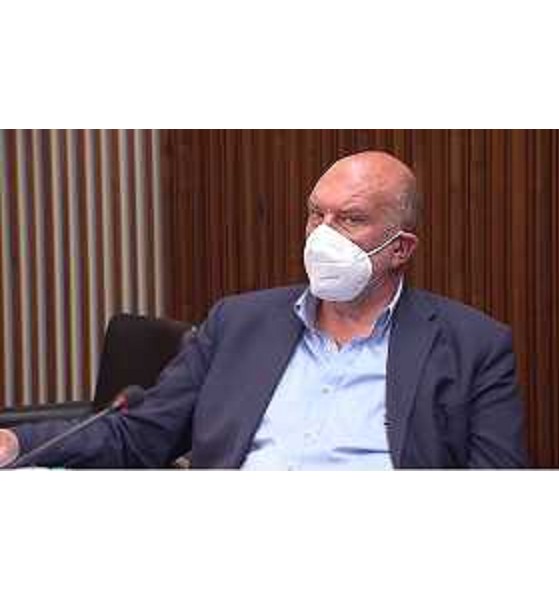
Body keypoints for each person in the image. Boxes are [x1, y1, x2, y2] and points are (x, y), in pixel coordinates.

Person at [0, 151, 526, 469]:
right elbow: (140, 434)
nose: (322, 235)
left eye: (350, 219)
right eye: (316, 215)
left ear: (400, 249)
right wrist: (15, 442)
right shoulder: (238, 323)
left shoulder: (473, 345)